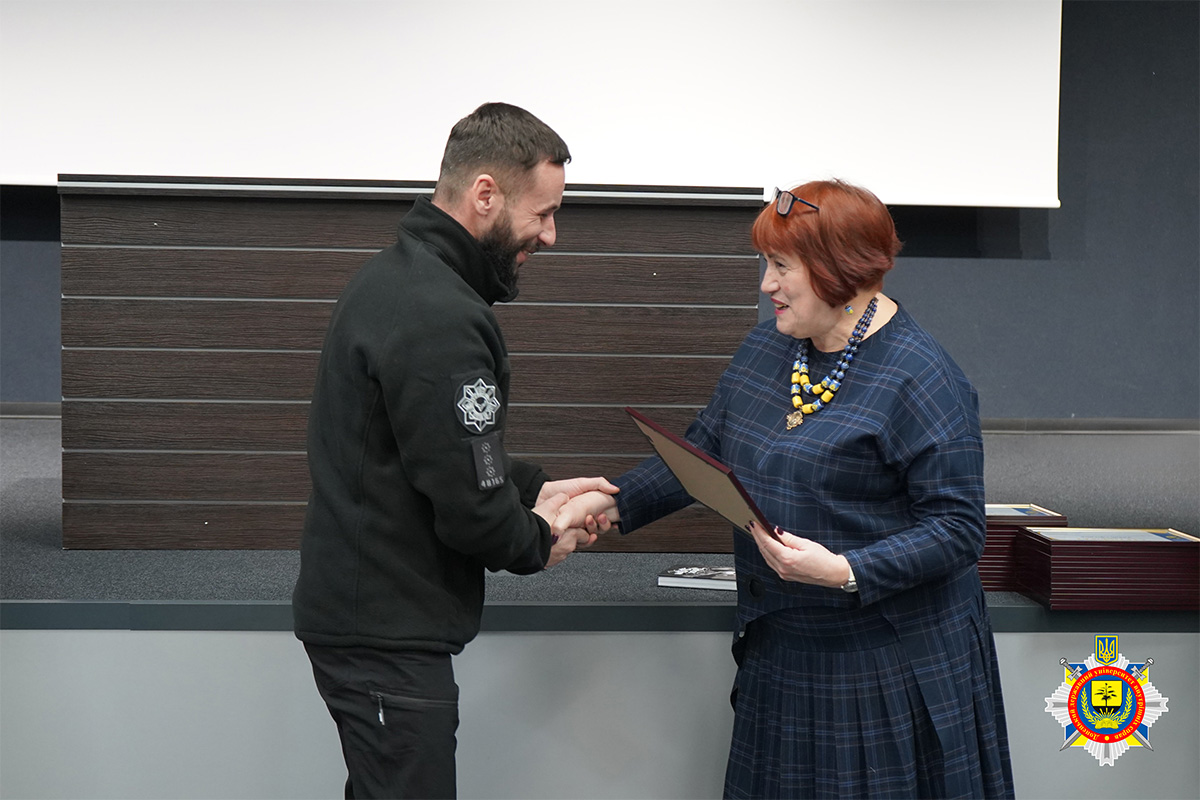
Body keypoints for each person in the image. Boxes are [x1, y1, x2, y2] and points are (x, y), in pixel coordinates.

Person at [558, 179, 1015, 799]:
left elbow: (957, 531)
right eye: (765, 264)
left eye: (780, 267)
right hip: (784, 650)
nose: (765, 285)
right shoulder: (769, 349)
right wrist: (613, 503)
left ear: (838, 270)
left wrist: (847, 571)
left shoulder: (923, 377)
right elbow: (706, 452)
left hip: (883, 668)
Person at [293, 102, 616, 799]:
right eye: (543, 213)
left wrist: (529, 489)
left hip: (375, 627)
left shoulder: (401, 281)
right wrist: (538, 538)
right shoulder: (436, 314)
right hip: (384, 637)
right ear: (485, 194)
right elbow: (469, 504)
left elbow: (433, 452)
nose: (551, 235)